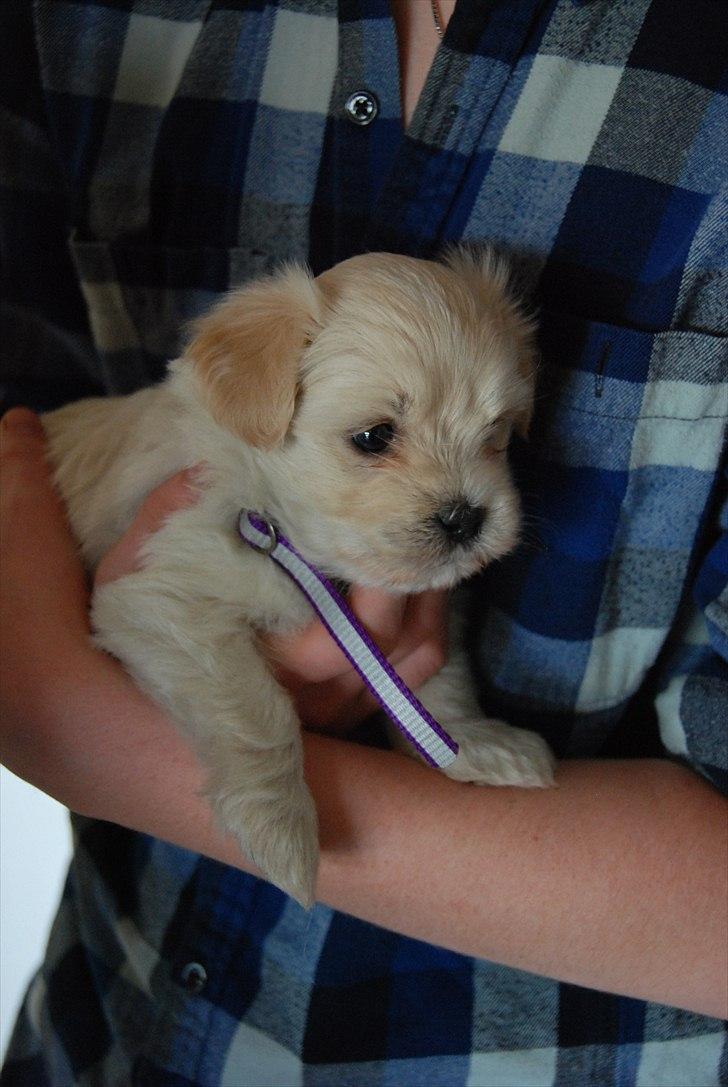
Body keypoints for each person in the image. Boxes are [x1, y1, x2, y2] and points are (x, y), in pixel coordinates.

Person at [1, 0, 726, 1083]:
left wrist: (111, 751)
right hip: (108, 1028)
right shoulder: (212, 453)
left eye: (489, 434)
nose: (456, 495)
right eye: (376, 438)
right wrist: (256, 769)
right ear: (261, 392)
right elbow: (147, 604)